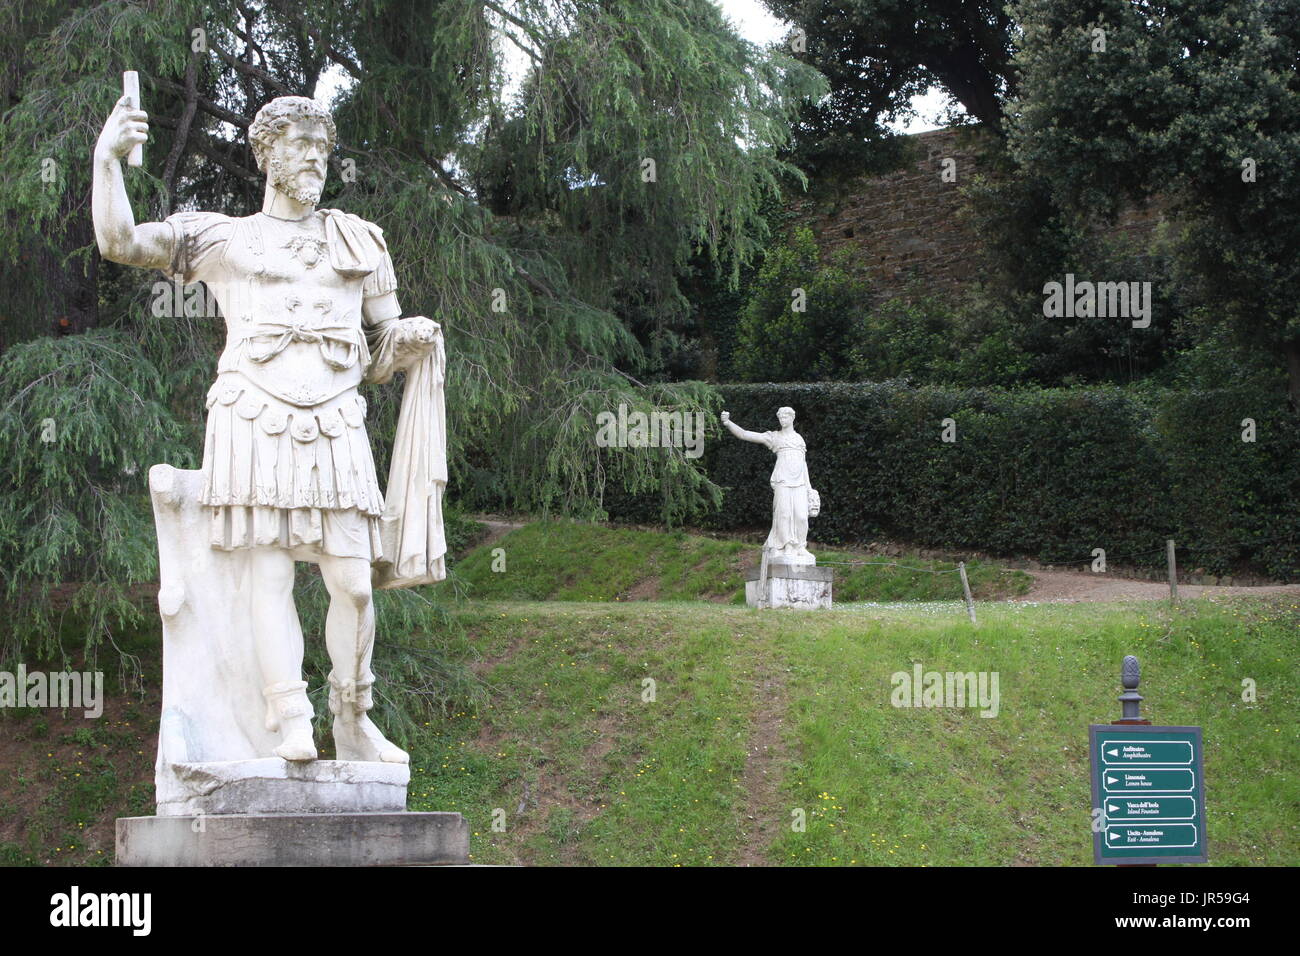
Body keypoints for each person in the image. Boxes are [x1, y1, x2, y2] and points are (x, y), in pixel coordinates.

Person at [92, 93, 441, 763]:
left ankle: (353, 715)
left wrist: (410, 340)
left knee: (355, 582)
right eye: (299, 144)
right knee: (270, 575)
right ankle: (288, 716)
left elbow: (380, 348)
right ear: (266, 154)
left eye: (322, 146)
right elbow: (122, 242)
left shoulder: (359, 239)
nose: (314, 157)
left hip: (338, 415)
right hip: (255, 412)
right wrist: (108, 160)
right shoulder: (228, 237)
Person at [721, 406, 818, 565]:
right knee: (784, 514)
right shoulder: (775, 437)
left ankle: (800, 546)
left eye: (785, 417)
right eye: (780, 418)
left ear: (792, 418)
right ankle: (787, 545)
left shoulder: (799, 439)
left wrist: (809, 487)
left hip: (800, 482)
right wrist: (728, 423)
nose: (782, 420)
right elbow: (745, 434)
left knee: (801, 516)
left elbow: (803, 463)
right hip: (782, 480)